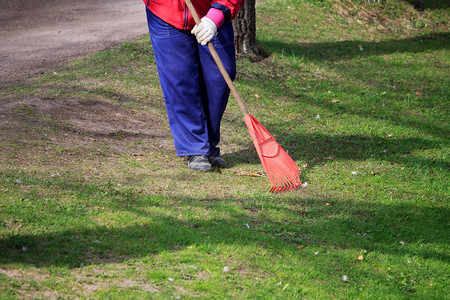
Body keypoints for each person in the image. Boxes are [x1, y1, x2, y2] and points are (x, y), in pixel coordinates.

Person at [143, 0, 245, 172]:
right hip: (166, 11)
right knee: (180, 80)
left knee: (221, 76)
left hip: (212, 9)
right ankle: (196, 148)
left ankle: (209, 142)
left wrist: (215, 17)